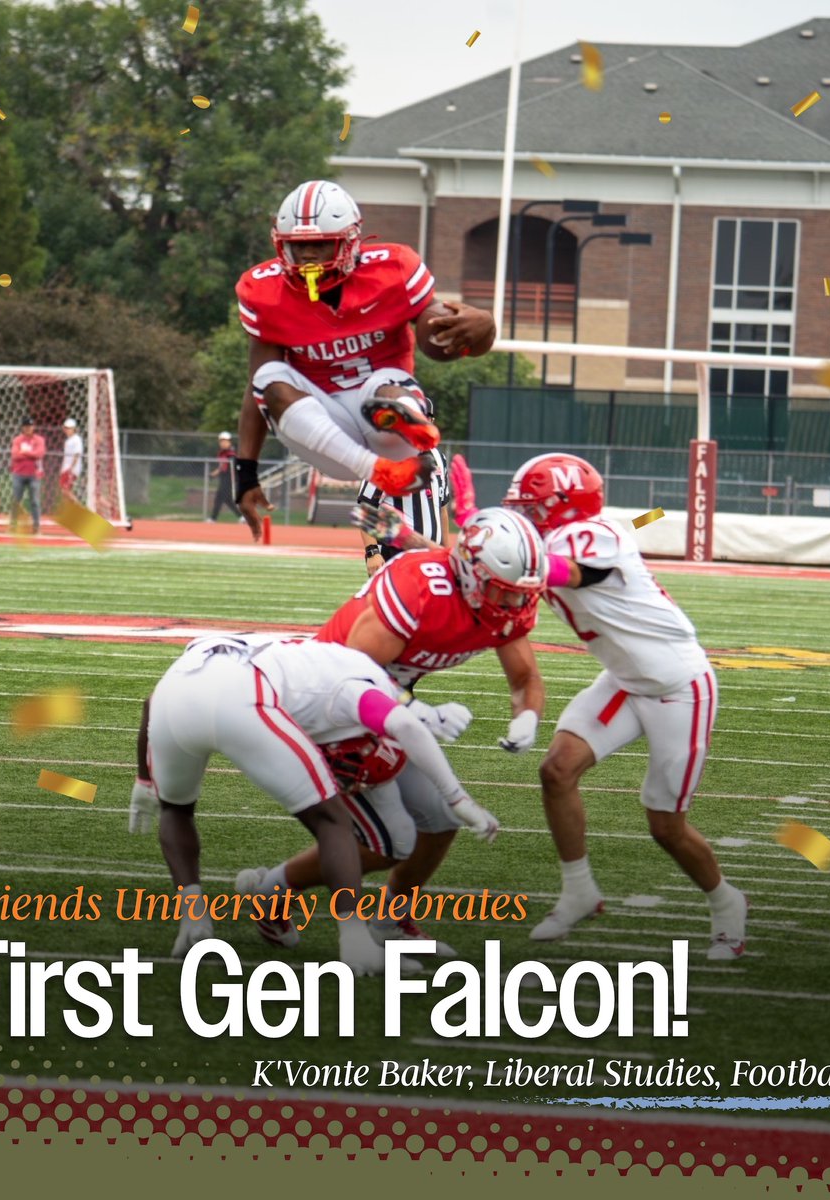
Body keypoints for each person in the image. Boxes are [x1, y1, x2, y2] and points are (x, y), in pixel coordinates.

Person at [234, 508, 548, 953]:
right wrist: (420, 712)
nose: (516, 606)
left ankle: (391, 922)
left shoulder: (498, 605)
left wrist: (527, 718)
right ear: (473, 575)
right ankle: (273, 892)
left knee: (438, 819)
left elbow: (525, 680)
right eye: (505, 593)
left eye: (522, 594)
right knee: (390, 842)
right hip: (328, 707)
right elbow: (352, 672)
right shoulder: (419, 588)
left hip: (382, 705)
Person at [127, 633, 499, 972]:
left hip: (174, 691)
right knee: (331, 821)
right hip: (243, 693)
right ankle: (355, 945)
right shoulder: (356, 684)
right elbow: (405, 726)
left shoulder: (323, 664)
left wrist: (145, 780)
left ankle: (194, 921)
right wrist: (459, 799)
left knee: (175, 810)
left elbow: (150, 703)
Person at [502, 452, 747, 960]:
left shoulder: (598, 535)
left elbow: (576, 573)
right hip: (624, 680)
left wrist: (511, 556)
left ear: (566, 506)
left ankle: (727, 904)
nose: (525, 516)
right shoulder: (549, 539)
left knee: (666, 826)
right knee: (556, 770)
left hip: (678, 686)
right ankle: (579, 892)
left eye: (534, 506)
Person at [232, 179, 495, 538]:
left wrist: (483, 331)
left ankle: (411, 426)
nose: (308, 256)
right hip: (325, 431)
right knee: (267, 376)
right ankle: (379, 468)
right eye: (299, 246)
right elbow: (257, 390)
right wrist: (245, 473)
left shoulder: (394, 269)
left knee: (379, 386)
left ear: (350, 241)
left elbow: (439, 341)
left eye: (320, 245)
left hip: (386, 421)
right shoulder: (265, 291)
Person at [358, 445, 450, 576]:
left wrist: (446, 554)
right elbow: (367, 506)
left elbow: (442, 510)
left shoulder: (439, 458)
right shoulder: (387, 455)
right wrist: (372, 552)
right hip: (395, 555)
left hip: (431, 558)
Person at [9, 417, 46, 535]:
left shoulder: (39, 440)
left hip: (33, 475)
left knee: (34, 501)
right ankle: (13, 524)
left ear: (33, 427)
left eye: (30, 426)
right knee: (16, 500)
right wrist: (31, 454)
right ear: (22, 428)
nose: (28, 428)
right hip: (18, 473)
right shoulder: (17, 440)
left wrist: (24, 452)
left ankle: (36, 526)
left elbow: (40, 453)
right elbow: (15, 455)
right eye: (25, 426)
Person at [205, 432, 241, 523]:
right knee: (227, 499)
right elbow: (221, 466)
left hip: (230, 478)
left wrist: (217, 472)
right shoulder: (221, 453)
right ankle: (241, 516)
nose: (223, 443)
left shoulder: (232, 453)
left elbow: (230, 466)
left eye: (225, 441)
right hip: (223, 476)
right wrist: (214, 473)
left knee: (219, 497)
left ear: (230, 442)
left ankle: (213, 518)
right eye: (221, 441)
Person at [59, 418, 83, 495]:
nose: (67, 430)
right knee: (64, 491)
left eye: (69, 428)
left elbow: (77, 455)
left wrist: (71, 469)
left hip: (71, 469)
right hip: (65, 469)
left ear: (74, 429)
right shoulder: (68, 440)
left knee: (66, 490)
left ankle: (76, 506)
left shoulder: (77, 439)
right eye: (66, 428)